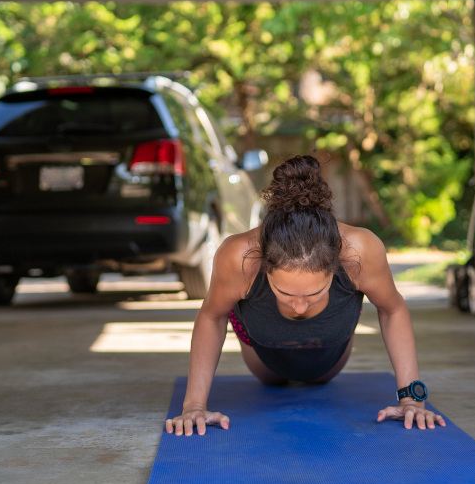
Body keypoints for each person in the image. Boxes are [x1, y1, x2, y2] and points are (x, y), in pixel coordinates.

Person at [166, 155, 445, 436]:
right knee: (270, 377)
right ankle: (249, 315)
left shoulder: (360, 251)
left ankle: (344, 306)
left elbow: (393, 309)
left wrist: (411, 398)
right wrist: (194, 406)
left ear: (336, 263)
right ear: (264, 263)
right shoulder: (239, 256)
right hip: (263, 358)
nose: (299, 308)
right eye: (285, 293)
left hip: (330, 358)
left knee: (319, 376)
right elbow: (211, 316)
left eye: (314, 294)